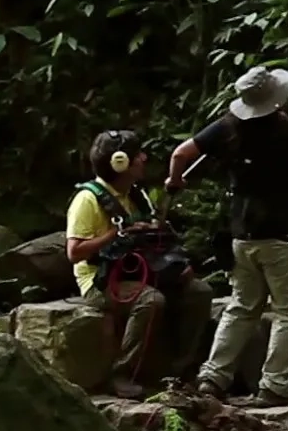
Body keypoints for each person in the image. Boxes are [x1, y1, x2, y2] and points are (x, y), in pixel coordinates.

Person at [169, 65, 288, 406]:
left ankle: (212, 377)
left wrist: (176, 180)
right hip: (283, 235)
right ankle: (276, 383)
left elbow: (181, 153)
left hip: (242, 233)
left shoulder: (227, 128)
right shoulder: (287, 132)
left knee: (241, 307)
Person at [66, 130, 213, 399]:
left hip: (139, 269)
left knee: (199, 293)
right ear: (120, 163)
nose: (144, 158)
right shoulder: (87, 200)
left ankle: (182, 371)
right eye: (138, 155)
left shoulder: (136, 194)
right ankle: (124, 373)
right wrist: (114, 234)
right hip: (100, 280)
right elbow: (74, 253)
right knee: (151, 301)